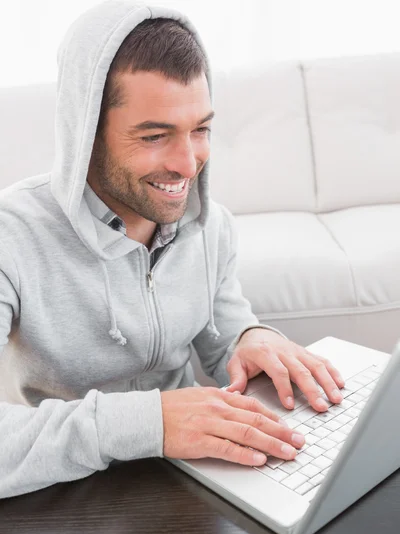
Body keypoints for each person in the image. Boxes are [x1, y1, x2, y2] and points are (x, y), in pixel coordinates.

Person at [0, 0, 344, 499]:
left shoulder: (211, 225)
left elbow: (222, 328)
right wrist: (149, 423)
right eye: (156, 136)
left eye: (200, 129)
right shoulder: (11, 238)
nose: (188, 165)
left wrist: (249, 337)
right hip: (57, 492)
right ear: (85, 133)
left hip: (191, 479)